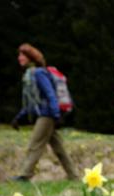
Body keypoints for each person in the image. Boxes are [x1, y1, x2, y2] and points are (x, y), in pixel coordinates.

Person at [11, 43, 77, 182]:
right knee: (59, 149)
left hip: (48, 115)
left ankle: (25, 175)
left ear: (30, 58)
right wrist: (18, 118)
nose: (19, 58)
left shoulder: (39, 73)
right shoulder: (30, 75)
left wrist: (56, 115)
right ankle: (74, 176)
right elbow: (32, 102)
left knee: (35, 144)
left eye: (22, 55)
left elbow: (50, 94)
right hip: (48, 113)